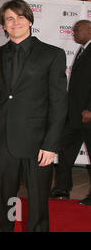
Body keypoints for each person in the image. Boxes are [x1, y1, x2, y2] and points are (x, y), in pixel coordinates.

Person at [0, 0, 67, 232]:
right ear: (3, 24)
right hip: (5, 140)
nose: (15, 23)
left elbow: (59, 103)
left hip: (38, 143)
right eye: (9, 19)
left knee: (37, 201)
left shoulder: (52, 54)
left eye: (20, 17)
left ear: (30, 20)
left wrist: (51, 144)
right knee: (6, 199)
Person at [50, 20, 91, 206]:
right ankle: (62, 189)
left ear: (89, 30)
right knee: (65, 152)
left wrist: (90, 108)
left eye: (77, 29)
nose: (73, 32)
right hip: (74, 116)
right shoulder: (83, 50)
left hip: (88, 115)